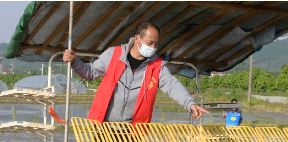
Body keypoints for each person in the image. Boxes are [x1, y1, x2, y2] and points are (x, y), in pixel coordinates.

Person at [63, 22, 209, 124]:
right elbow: (90, 72)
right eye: (150, 43)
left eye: (156, 44)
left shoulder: (157, 66)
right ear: (137, 38)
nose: (153, 47)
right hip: (104, 126)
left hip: (132, 131)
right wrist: (75, 62)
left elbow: (172, 86)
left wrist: (190, 104)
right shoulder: (113, 54)